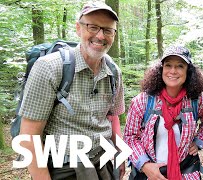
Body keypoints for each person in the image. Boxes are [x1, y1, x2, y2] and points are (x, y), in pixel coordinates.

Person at [18, 2, 125, 180]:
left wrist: (120, 155)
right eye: (93, 27)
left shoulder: (114, 72)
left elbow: (113, 118)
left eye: (107, 30)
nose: (100, 36)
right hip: (64, 168)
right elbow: (29, 135)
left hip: (103, 164)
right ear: (78, 28)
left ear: (114, 34)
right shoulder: (50, 67)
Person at [124, 45, 203, 180]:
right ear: (161, 69)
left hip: (185, 171)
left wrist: (198, 141)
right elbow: (130, 137)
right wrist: (144, 165)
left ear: (188, 71)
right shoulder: (143, 101)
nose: (173, 71)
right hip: (148, 173)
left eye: (179, 66)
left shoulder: (196, 101)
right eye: (168, 65)